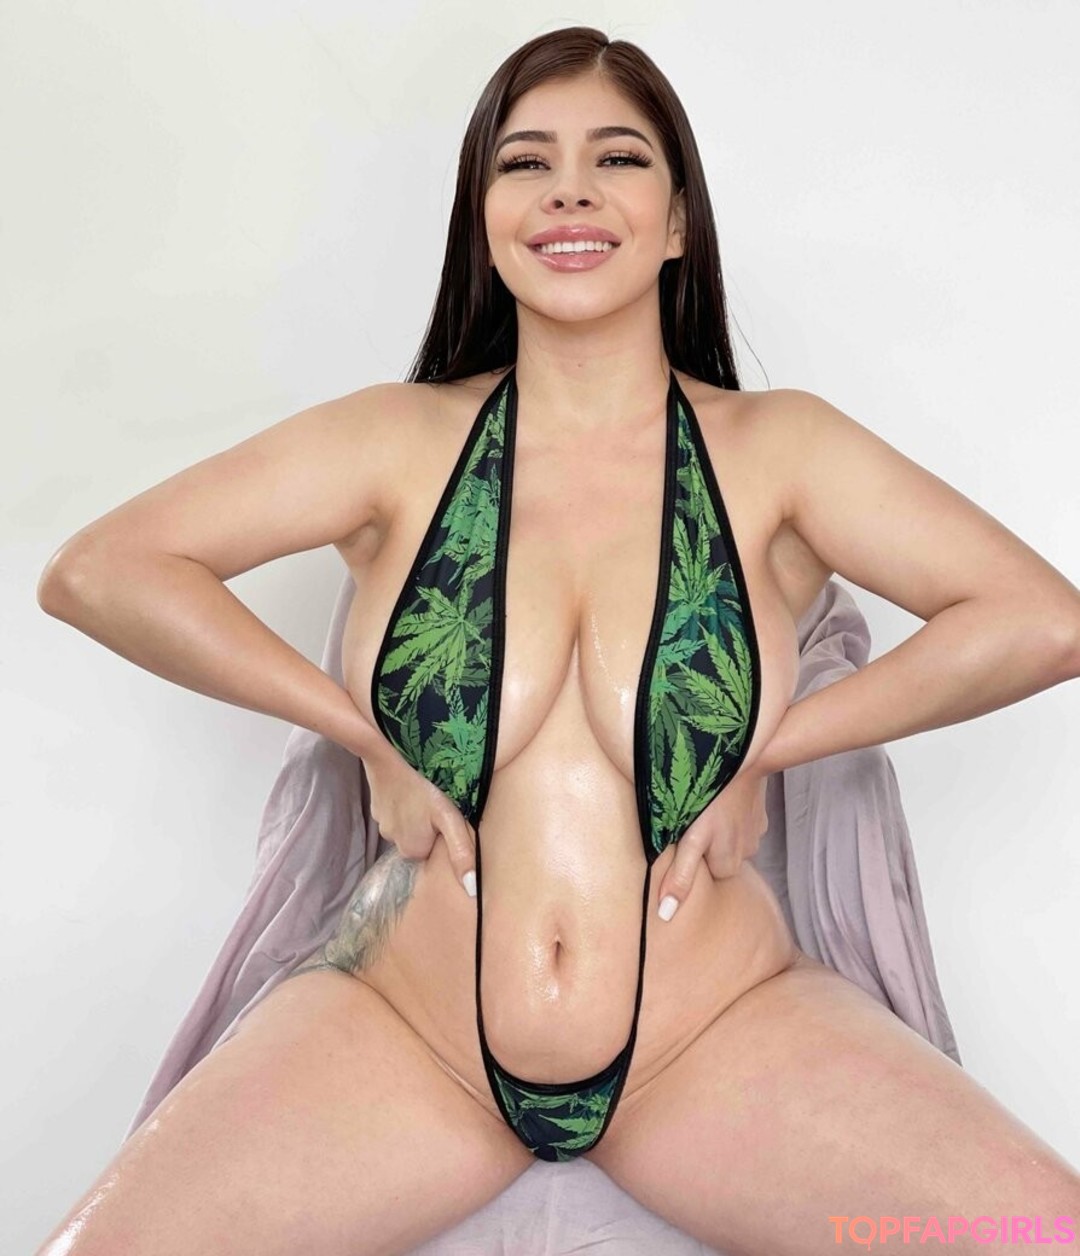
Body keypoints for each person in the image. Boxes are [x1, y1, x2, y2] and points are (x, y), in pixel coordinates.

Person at [33, 24, 1080, 1256]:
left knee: (1045, 1232)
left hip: (717, 1039)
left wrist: (772, 747)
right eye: (525, 163)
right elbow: (100, 571)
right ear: (484, 218)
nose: (570, 191)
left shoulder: (777, 452)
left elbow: (1040, 619)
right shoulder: (395, 442)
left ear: (678, 220)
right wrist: (364, 734)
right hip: (405, 1035)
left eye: (617, 158)